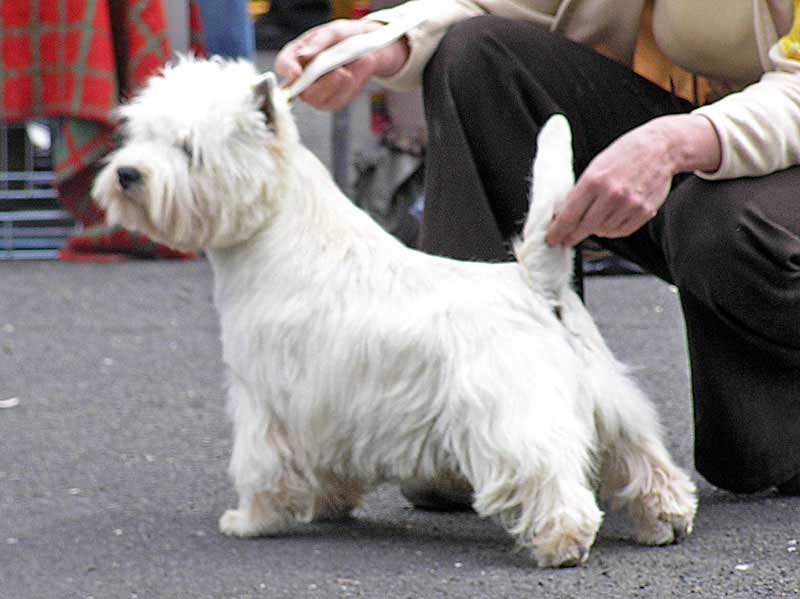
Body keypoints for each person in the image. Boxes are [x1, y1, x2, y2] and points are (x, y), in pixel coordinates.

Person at [274, 0, 800, 498]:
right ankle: (488, 416)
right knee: (477, 55)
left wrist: (678, 142)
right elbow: (500, 6)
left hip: (766, 160)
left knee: (715, 220)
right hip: (692, 125)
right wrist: (382, 41)